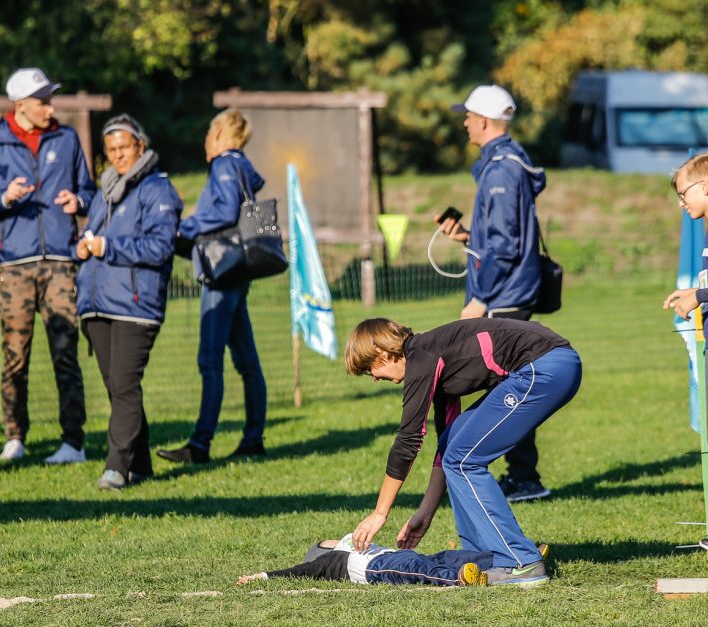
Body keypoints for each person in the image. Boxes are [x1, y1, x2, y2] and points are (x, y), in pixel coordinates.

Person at [344, 317, 581, 585]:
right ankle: (485, 557)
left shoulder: (422, 358)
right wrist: (425, 512)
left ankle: (520, 562)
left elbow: (408, 439)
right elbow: (447, 445)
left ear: (383, 352)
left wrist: (379, 513)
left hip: (546, 367)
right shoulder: (430, 359)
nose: (374, 378)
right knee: (455, 447)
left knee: (464, 460)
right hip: (548, 365)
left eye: (369, 368)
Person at [0, 68, 94, 463]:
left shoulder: (67, 137)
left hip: (60, 261)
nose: (50, 107)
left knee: (65, 352)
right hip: (14, 264)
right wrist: (4, 198)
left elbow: (88, 189)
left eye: (50, 99)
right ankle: (14, 437)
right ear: (20, 105)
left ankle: (73, 442)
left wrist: (80, 202)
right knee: (15, 354)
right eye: (42, 101)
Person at [438, 84, 551, 503]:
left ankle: (519, 475)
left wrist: (480, 297)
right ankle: (522, 475)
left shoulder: (502, 169)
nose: (465, 122)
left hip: (502, 295)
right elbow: (502, 235)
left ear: (484, 121)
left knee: (504, 388)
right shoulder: (506, 163)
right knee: (508, 384)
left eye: (468, 116)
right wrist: (468, 235)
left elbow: (503, 245)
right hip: (508, 291)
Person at [75, 115, 182, 490]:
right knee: (118, 388)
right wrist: (84, 248)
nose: (119, 154)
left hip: (136, 305)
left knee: (123, 384)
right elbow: (96, 237)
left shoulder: (158, 190)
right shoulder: (103, 191)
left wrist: (107, 247)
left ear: (140, 145)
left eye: (125, 147)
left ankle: (116, 467)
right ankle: (141, 464)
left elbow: (160, 246)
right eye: (111, 149)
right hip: (98, 302)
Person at [156, 109, 268, 464]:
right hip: (238, 271)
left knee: (210, 360)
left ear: (219, 132)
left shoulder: (223, 165)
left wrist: (183, 229)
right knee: (247, 361)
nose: (205, 138)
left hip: (222, 272)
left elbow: (222, 213)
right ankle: (252, 439)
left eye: (208, 131)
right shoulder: (241, 166)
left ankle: (200, 445)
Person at [662, 154, 708, 480]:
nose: (681, 203)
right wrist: (695, 293)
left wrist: (699, 296)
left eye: (683, 194)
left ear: (705, 187)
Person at [236, 533, 493, 587]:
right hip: (377, 568)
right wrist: (262, 576)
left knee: (445, 556)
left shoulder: (349, 541)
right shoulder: (327, 561)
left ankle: (503, 559)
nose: (329, 539)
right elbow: (297, 571)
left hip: (392, 556)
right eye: (324, 542)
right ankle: (457, 579)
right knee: (419, 569)